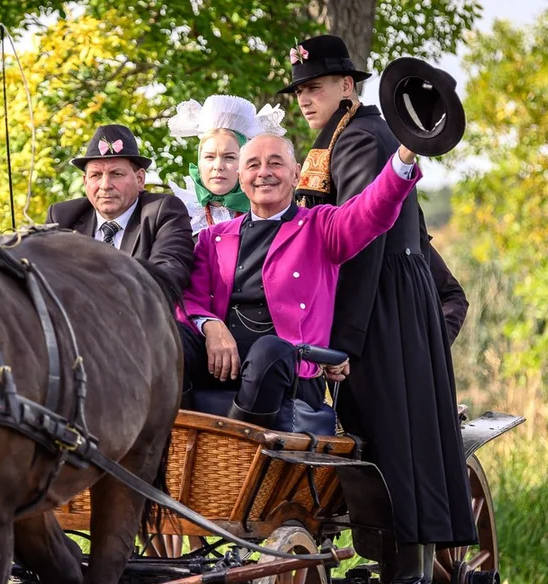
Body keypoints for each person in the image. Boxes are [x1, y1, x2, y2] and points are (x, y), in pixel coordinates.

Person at [281, 34, 474, 584]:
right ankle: (389, 567)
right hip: (386, 297)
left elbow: (362, 244)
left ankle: (407, 583)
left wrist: (342, 344)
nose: (305, 99)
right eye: (300, 91)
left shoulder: (362, 137)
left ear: (347, 85)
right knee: (374, 429)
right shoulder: (339, 137)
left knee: (389, 432)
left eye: (315, 87)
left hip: (382, 302)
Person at [178, 132, 422, 429]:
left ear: (296, 174)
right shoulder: (211, 238)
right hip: (221, 366)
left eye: (275, 163)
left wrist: (405, 156)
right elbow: (190, 300)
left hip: (290, 371)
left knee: (269, 351)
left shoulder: (320, 227)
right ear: (241, 178)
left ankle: (234, 443)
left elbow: (370, 211)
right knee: (171, 338)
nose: (264, 173)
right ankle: (177, 436)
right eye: (253, 165)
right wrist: (211, 326)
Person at [46, 124, 194, 296]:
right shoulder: (61, 217)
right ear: (85, 181)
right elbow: (44, 275)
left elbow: (168, 274)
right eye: (96, 175)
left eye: (116, 174)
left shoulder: (163, 211)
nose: (105, 185)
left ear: (140, 179)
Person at [165, 95, 287, 237]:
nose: (218, 166)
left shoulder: (270, 214)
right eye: (209, 157)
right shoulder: (178, 213)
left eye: (229, 157)